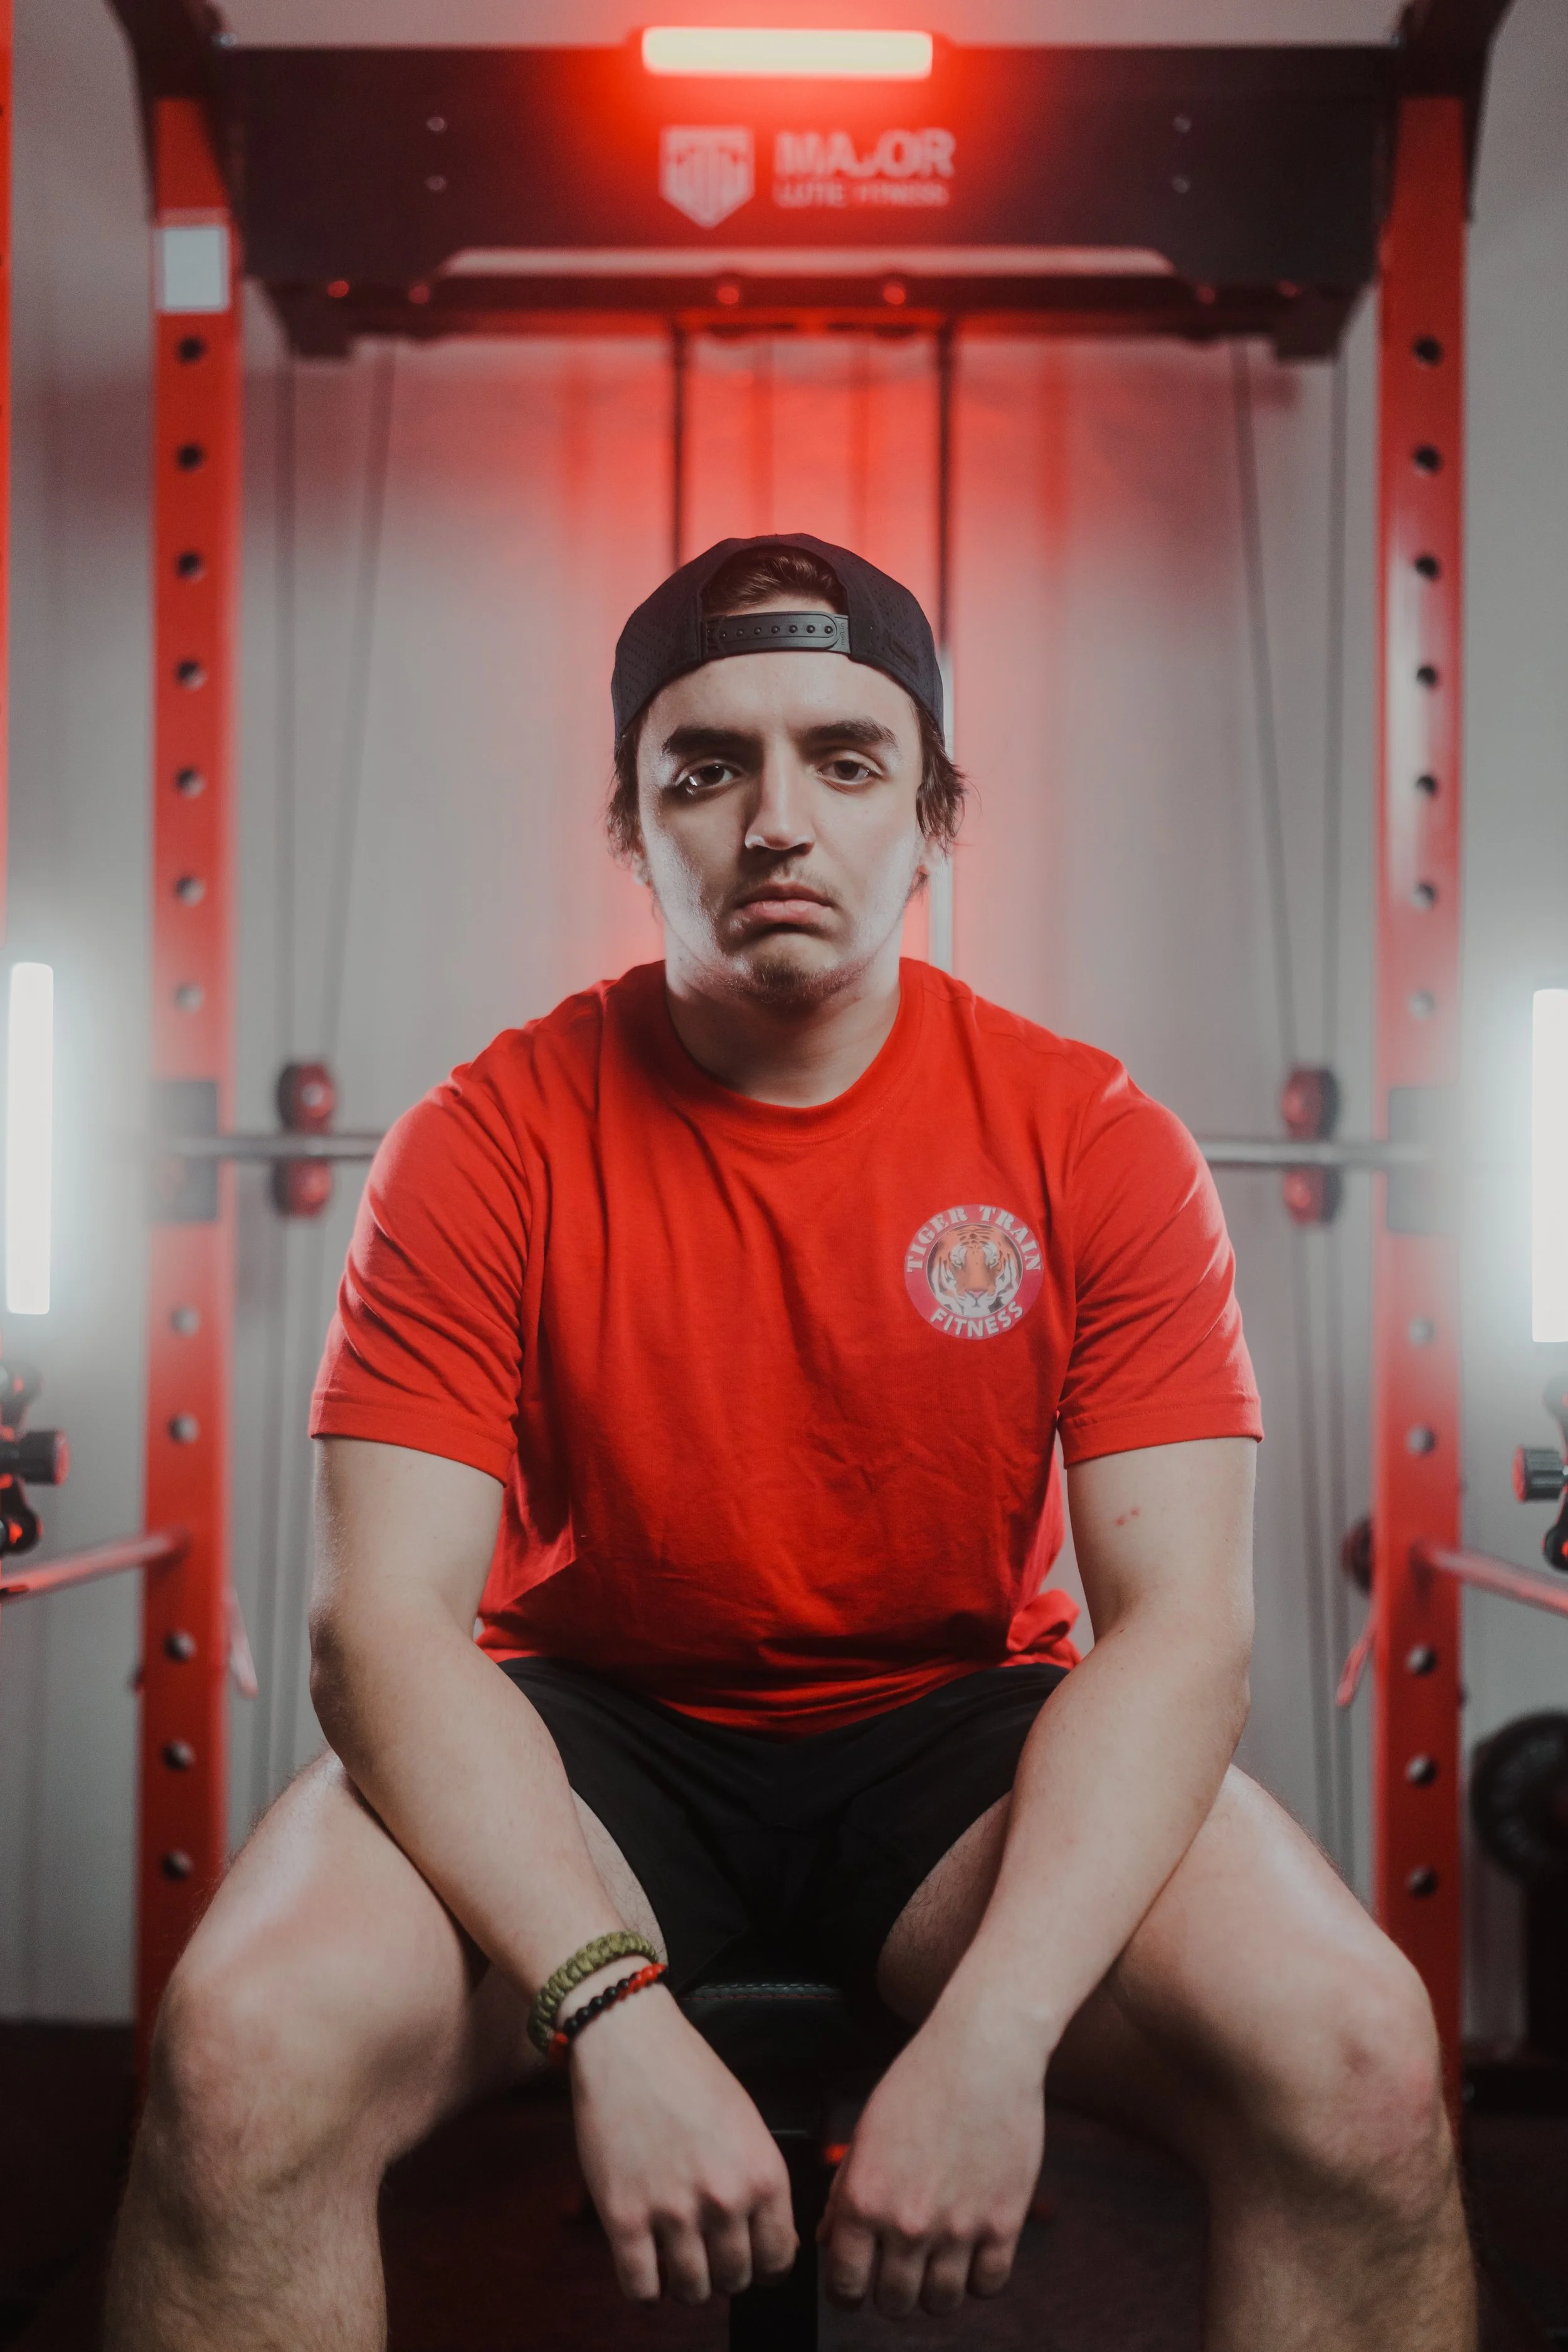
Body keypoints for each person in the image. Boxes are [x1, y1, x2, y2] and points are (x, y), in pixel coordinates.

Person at [107, 534, 1475, 2350]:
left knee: (1362, 2064)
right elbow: (384, 1631)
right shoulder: (482, 1137)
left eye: (844, 756)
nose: (775, 819)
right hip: (584, 1741)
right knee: (238, 2058)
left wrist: (993, 2031)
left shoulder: (1093, 1138)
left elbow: (1179, 1630)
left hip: (957, 1747)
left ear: (932, 812)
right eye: (706, 763)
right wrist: (612, 2012)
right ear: (633, 819)